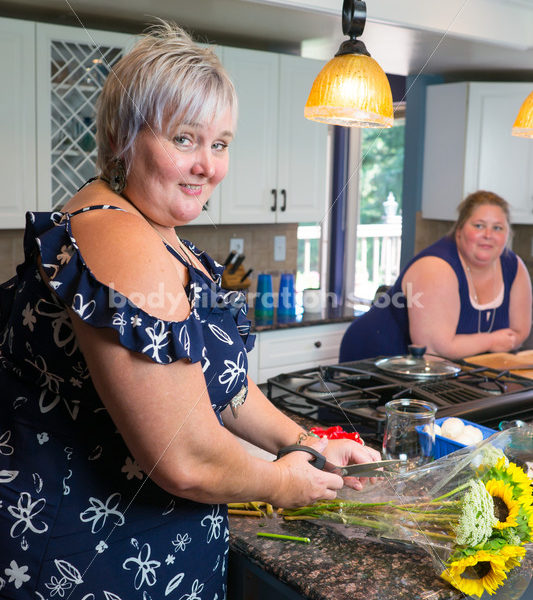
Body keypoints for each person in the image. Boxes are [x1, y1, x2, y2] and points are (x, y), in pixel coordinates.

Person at [0, 21, 380, 599]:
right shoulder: (121, 239)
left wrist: (308, 445)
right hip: (95, 565)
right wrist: (281, 484)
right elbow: (185, 454)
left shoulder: (156, 229)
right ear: (124, 138)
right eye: (185, 139)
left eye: (220, 143)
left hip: (144, 552)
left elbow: (222, 389)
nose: (209, 166)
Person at [340, 190, 532, 362]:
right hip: (377, 358)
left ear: (508, 234)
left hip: (442, 369)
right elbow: (436, 348)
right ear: (459, 230)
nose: (488, 234)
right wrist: (492, 340)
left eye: (498, 228)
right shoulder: (435, 267)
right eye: (479, 226)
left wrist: (480, 344)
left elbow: (519, 333)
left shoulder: (513, 266)